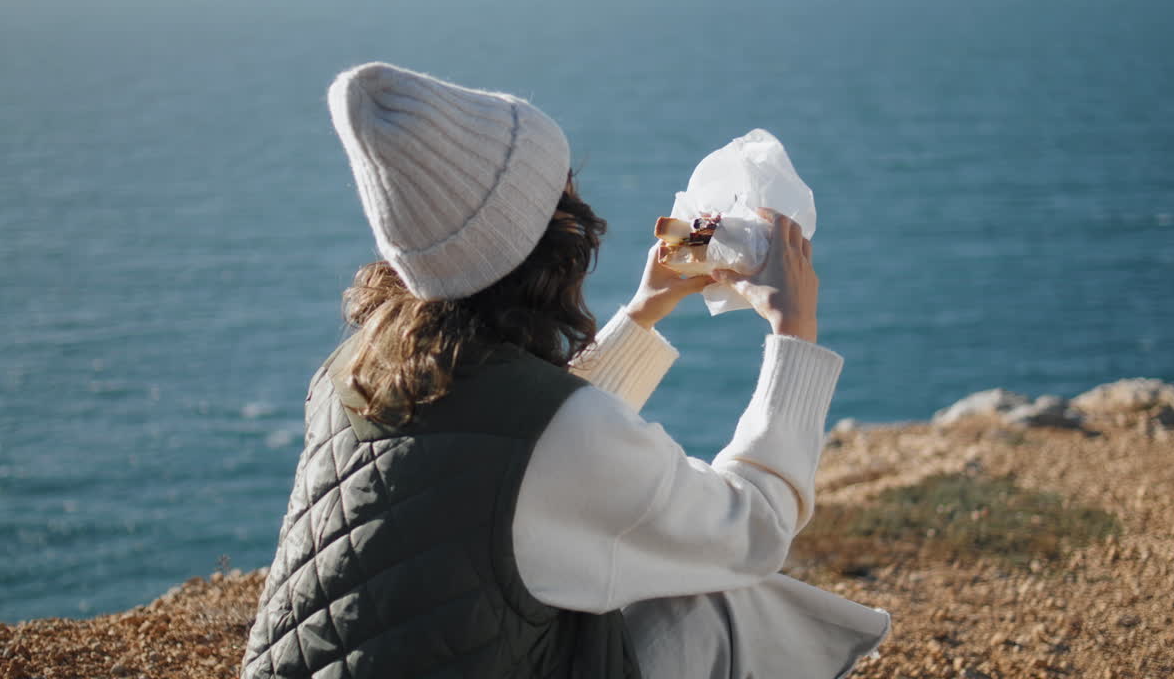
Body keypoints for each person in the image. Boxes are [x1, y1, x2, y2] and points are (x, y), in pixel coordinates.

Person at [240, 62, 889, 679]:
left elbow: (510, 448)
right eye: (563, 188)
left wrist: (644, 313)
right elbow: (752, 530)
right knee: (717, 608)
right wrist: (794, 335)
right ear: (549, 235)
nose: (578, 202)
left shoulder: (347, 371)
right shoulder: (563, 440)